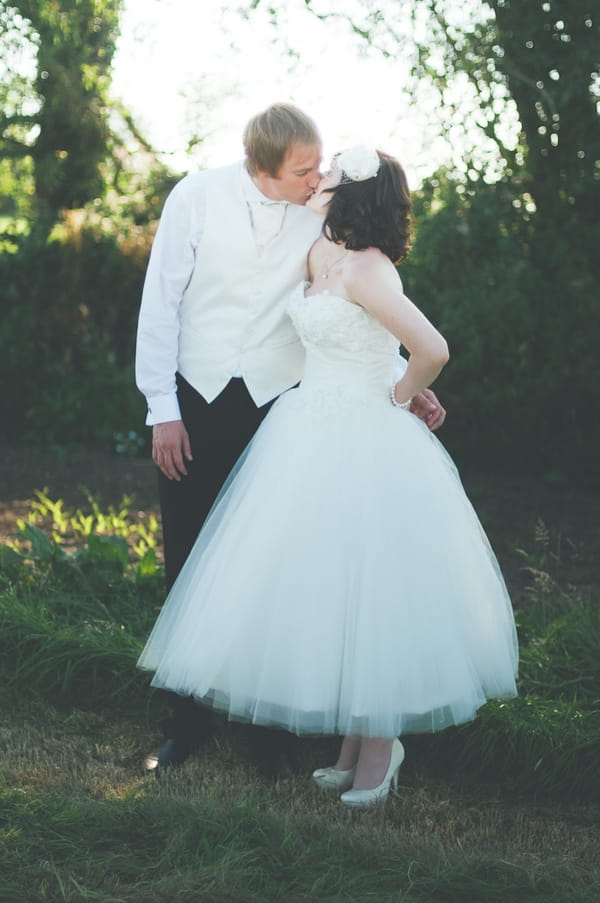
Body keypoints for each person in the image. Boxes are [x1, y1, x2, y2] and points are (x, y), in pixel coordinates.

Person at [137, 145, 518, 807]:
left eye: (332, 178)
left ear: (355, 197)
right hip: (307, 425)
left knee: (375, 591)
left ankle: (380, 747)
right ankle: (348, 746)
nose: (320, 182)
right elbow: (365, 333)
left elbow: (433, 349)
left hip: (367, 434)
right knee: (326, 583)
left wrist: (401, 394)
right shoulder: (322, 255)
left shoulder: (372, 270)